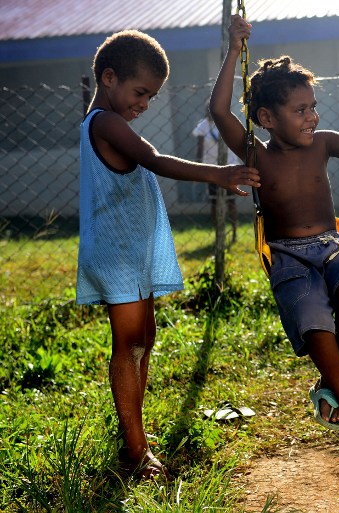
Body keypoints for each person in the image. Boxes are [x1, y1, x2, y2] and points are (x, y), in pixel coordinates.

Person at [76, 29, 260, 479]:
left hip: (131, 250)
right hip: (117, 253)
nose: (145, 104)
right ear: (109, 77)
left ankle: (134, 432)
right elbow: (154, 159)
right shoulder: (104, 122)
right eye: (140, 92)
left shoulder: (109, 119)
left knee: (145, 340)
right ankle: (135, 450)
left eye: (152, 97)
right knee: (128, 345)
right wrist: (219, 174)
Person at [210, 15, 339, 462]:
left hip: (334, 247)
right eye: (300, 110)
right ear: (267, 118)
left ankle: (330, 386)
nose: (312, 117)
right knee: (314, 321)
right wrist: (234, 49)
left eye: (313, 107)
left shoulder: (322, 143)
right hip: (288, 256)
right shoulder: (255, 153)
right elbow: (219, 111)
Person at [192, 105, 239, 241]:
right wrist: (198, 167)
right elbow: (200, 147)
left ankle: (234, 233)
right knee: (214, 202)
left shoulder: (226, 122)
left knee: (231, 202)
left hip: (229, 166)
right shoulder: (203, 126)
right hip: (211, 168)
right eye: (208, 110)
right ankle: (219, 234)